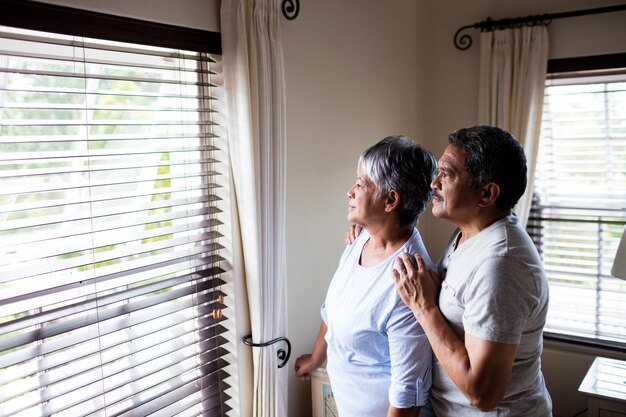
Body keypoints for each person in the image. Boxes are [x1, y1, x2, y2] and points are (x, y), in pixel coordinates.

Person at [391, 125, 553, 416]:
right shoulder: (470, 232)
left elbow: (483, 393)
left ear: (487, 194)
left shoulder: (501, 265)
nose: (434, 183)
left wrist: (423, 306)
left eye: (447, 174)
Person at [294, 136, 438, 417]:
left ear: (390, 199)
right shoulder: (361, 239)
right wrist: (316, 358)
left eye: (360, 184)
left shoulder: (410, 281)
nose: (350, 191)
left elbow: (408, 394)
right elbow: (333, 309)